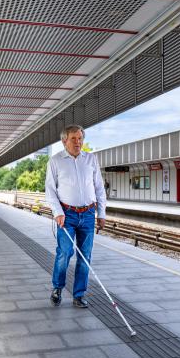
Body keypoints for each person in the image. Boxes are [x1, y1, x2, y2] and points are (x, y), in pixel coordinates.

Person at [45, 125, 106, 308]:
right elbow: (50, 190)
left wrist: (101, 213)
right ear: (65, 141)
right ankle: (57, 288)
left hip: (88, 214)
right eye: (74, 139)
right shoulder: (55, 161)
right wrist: (58, 213)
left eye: (80, 138)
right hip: (67, 214)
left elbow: (99, 188)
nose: (78, 142)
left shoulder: (91, 159)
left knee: (85, 255)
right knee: (65, 253)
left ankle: (79, 294)